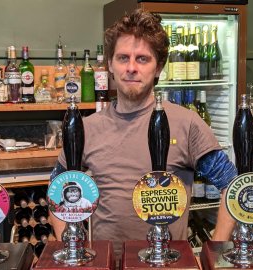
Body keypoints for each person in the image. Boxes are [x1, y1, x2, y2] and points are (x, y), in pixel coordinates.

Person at [50, 8, 237, 256]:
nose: (131, 68)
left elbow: (232, 188)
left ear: (158, 67)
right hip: (106, 263)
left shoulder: (186, 123)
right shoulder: (87, 127)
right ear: (110, 65)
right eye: (123, 58)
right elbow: (56, 191)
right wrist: (72, 250)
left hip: (166, 262)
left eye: (142, 59)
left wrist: (214, 253)